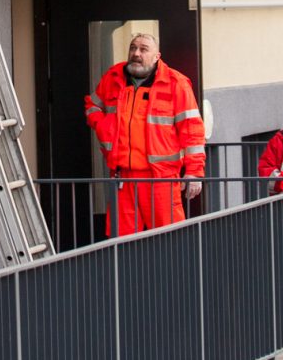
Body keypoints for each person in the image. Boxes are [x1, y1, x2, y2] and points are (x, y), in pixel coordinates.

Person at [84, 32, 206, 236]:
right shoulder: (113, 77)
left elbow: (192, 130)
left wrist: (194, 172)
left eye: (143, 49)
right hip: (122, 178)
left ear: (157, 56)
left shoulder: (175, 83)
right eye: (133, 48)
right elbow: (92, 106)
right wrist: (103, 126)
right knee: (122, 243)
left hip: (161, 179)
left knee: (171, 240)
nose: (136, 53)